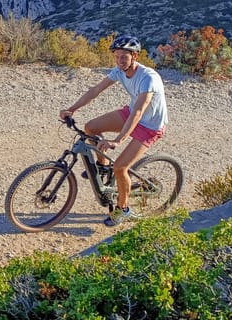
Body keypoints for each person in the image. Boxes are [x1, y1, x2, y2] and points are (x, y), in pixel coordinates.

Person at [58, 35, 168, 227]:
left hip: (149, 126)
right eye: (116, 57)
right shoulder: (119, 71)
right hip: (131, 113)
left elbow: (139, 112)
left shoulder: (148, 78)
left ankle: (123, 209)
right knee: (91, 127)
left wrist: (118, 140)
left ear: (135, 56)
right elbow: (95, 91)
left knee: (121, 168)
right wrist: (72, 109)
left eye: (123, 57)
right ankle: (102, 167)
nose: (119, 61)